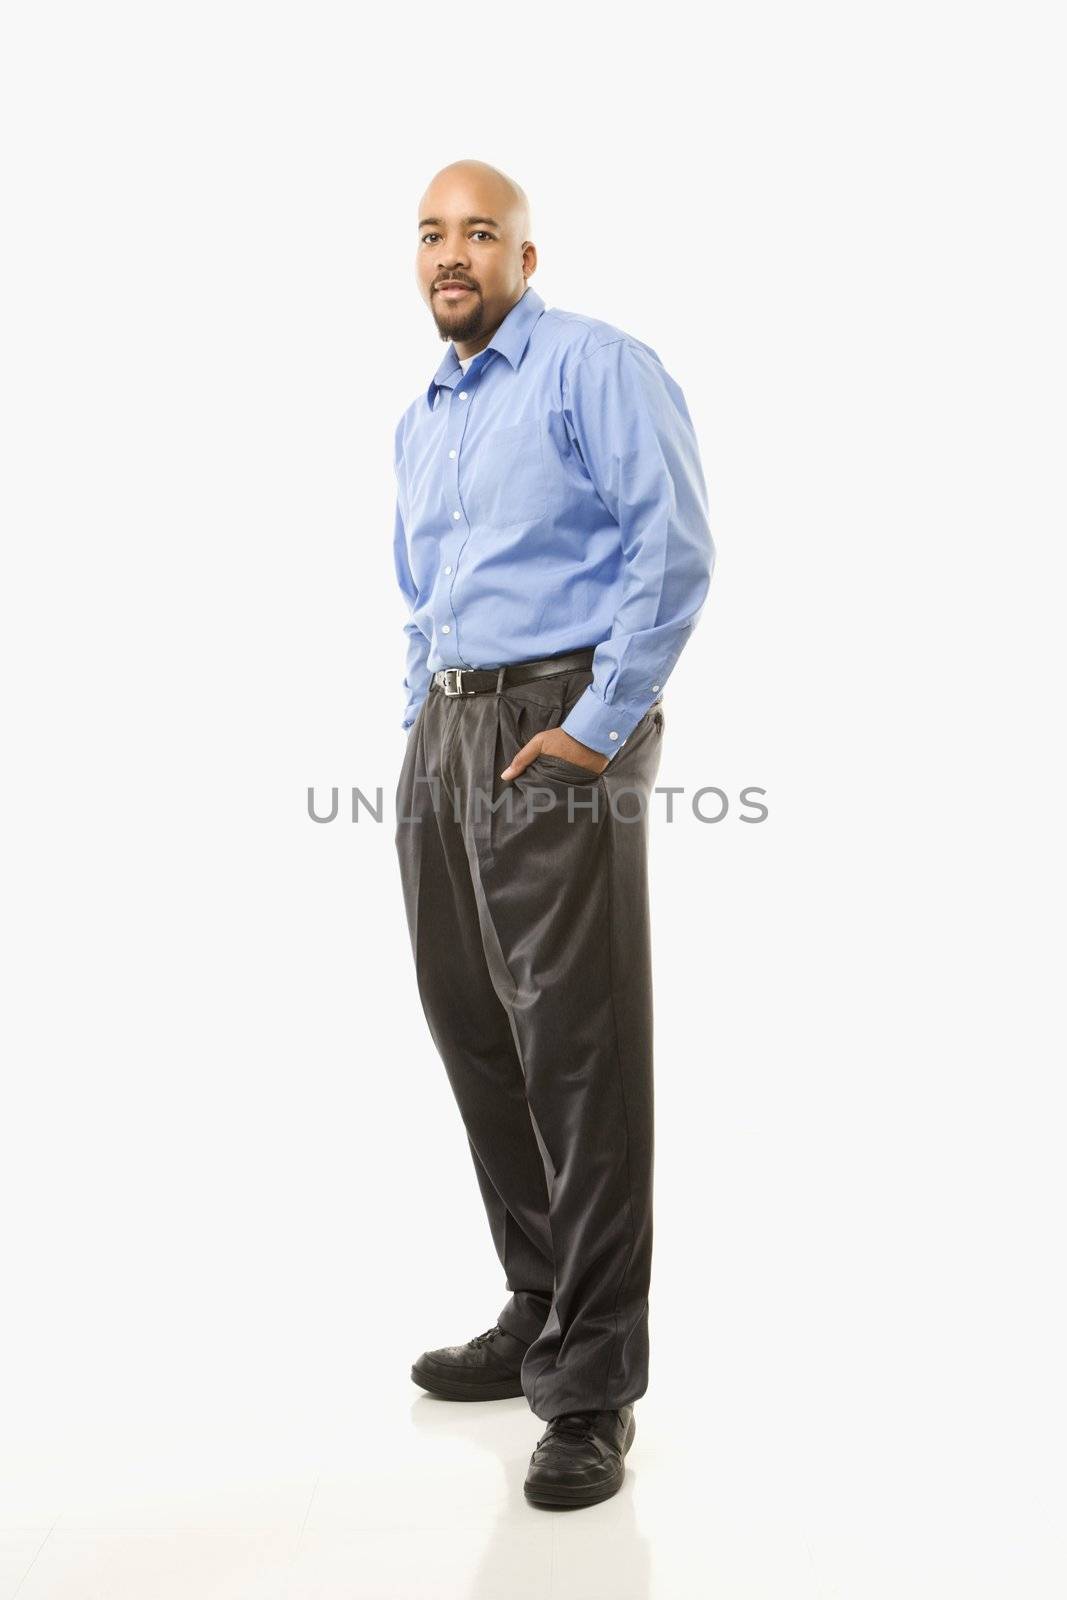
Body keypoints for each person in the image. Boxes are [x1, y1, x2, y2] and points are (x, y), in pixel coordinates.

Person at [392, 158, 715, 1509]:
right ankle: (540, 1303)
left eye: (479, 233)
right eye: (431, 235)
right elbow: (421, 589)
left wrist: (593, 724)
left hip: (554, 723)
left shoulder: (597, 366)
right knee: (476, 1030)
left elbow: (673, 548)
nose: (451, 254)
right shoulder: (423, 417)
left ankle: (591, 1391)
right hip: (449, 734)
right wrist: (420, 719)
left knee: (577, 1054)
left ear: (528, 257)